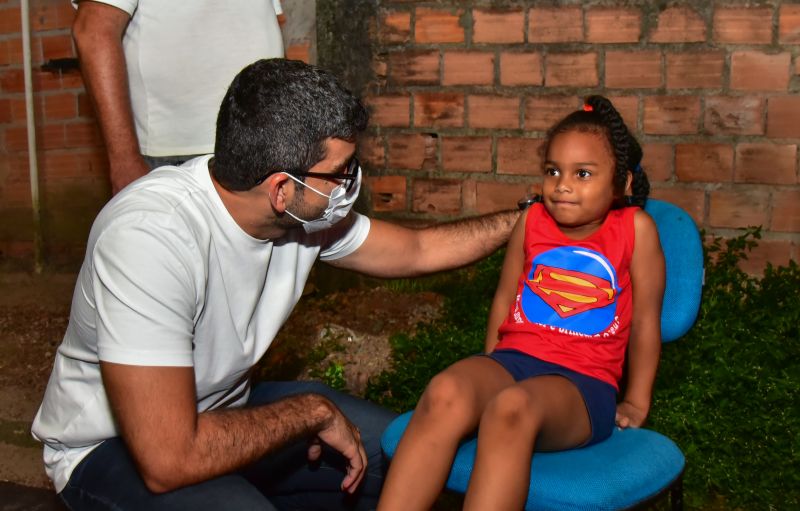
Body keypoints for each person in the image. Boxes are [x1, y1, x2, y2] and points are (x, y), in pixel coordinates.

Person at [31, 58, 521, 511]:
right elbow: (168, 459)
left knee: (415, 456)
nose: (352, 183)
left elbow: (418, 251)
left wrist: (529, 219)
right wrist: (309, 412)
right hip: (115, 450)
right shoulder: (150, 238)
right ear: (282, 188)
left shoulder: (298, 216)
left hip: (228, 414)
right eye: (340, 172)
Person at [377, 96, 666, 510]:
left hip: (583, 385)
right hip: (515, 360)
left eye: (583, 173)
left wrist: (637, 401)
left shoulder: (636, 229)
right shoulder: (531, 220)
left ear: (623, 184)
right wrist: (491, 364)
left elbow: (645, 323)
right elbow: (504, 297)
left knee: (510, 408)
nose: (562, 184)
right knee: (447, 390)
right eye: (553, 171)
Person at [71, 0, 285, 194]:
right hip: (178, 157)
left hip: (267, 142)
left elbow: (264, 22)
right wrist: (124, 160)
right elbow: (93, 31)